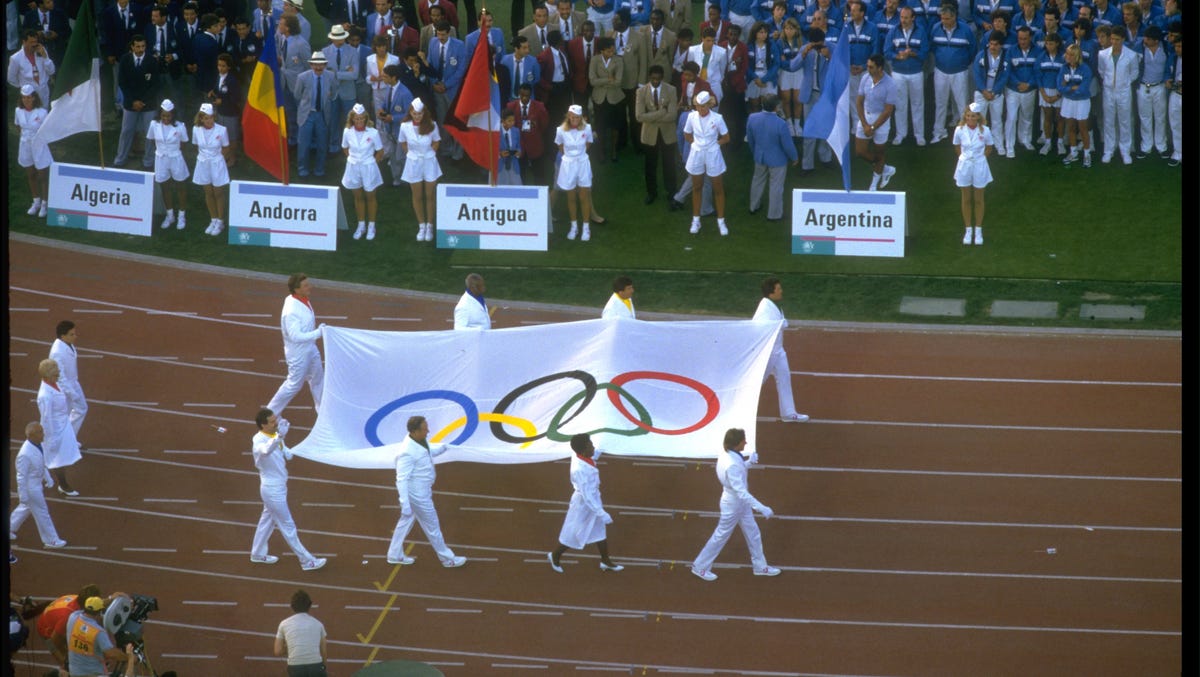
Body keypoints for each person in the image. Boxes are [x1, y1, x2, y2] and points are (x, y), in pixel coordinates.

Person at [690, 427, 781, 581]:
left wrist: (749, 463)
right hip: (734, 505)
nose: (746, 442)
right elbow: (741, 491)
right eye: (743, 440)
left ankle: (760, 566)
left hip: (737, 502)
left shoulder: (728, 455)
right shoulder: (732, 463)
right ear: (737, 444)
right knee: (720, 536)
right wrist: (761, 508)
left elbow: (736, 473)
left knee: (753, 533)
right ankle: (699, 566)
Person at [250, 408, 328, 571]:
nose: (275, 423)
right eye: (272, 422)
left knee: (267, 521)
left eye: (275, 420)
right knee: (288, 525)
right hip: (272, 490)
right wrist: (280, 436)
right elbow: (265, 451)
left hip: (278, 487)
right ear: (263, 425)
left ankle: (257, 553)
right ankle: (306, 561)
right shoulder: (258, 440)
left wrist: (304, 448)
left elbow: (288, 455)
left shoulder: (274, 435)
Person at [386, 416, 468, 568]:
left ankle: (394, 554)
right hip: (418, 495)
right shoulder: (407, 452)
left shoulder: (418, 440)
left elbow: (427, 453)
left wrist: (442, 449)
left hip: (421, 491)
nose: (428, 431)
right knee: (432, 526)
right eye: (425, 429)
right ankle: (447, 559)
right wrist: (404, 503)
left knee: (406, 522)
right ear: (415, 431)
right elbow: (401, 479)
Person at [547, 433, 624, 573]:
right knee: (574, 531)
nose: (593, 447)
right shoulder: (580, 470)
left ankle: (605, 561)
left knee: (599, 530)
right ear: (583, 451)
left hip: (592, 500)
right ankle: (555, 555)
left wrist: (604, 443)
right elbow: (587, 496)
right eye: (591, 446)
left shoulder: (581, 456)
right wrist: (602, 513)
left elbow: (593, 456)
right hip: (583, 504)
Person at [266, 274, 327, 416]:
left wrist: (316, 334)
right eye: (306, 285)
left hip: (310, 348)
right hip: (298, 354)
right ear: (296, 289)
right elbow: (295, 336)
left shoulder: (302, 299)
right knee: (294, 384)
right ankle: (270, 413)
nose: (309, 287)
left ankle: (323, 411)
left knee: (318, 378)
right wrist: (318, 333)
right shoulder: (291, 311)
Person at [753, 278, 809, 422]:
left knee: (784, 379)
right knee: (755, 383)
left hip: (778, 351)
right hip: (768, 353)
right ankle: (736, 408)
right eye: (778, 289)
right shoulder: (765, 308)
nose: (781, 291)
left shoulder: (774, 305)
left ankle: (788, 413)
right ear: (771, 292)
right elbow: (758, 329)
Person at [9, 421, 66, 548]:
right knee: (42, 512)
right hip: (31, 488)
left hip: (35, 484)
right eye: (40, 432)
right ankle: (51, 540)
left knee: (25, 508)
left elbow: (40, 462)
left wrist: (47, 477)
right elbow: (21, 477)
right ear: (32, 435)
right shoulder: (24, 454)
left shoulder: (37, 445)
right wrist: (23, 494)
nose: (43, 434)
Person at [683, 90, 730, 235]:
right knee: (697, 187)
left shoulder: (718, 118)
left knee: (718, 188)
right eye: (698, 106)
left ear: (709, 105)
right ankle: (696, 220)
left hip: (713, 154)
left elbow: (726, 137)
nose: (701, 109)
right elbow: (687, 134)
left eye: (703, 106)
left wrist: (716, 144)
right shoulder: (691, 117)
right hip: (697, 154)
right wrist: (695, 144)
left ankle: (721, 221)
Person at [929, 4, 976, 144]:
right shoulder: (936, 28)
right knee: (940, 103)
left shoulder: (966, 30)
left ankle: (965, 135)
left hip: (960, 71)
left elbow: (972, 50)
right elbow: (933, 48)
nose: (944, 21)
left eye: (947, 19)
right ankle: (938, 132)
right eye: (942, 18)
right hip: (940, 71)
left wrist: (962, 63)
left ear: (954, 17)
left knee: (962, 104)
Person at [746, 95, 797, 221]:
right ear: (776, 107)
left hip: (760, 156)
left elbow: (750, 139)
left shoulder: (752, 118)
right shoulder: (781, 123)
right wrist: (794, 157)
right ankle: (774, 214)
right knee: (776, 186)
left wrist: (755, 152)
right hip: (777, 160)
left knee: (757, 181)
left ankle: (753, 206)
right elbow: (788, 145)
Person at [884, 6, 929, 147]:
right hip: (898, 73)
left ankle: (919, 135)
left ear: (913, 18)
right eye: (902, 17)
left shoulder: (921, 31)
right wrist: (898, 56)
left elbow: (925, 52)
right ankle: (900, 134)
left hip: (916, 73)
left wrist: (913, 54)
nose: (903, 20)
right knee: (900, 105)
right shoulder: (893, 31)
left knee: (917, 104)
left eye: (906, 17)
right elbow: (886, 51)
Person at [399, 97, 442, 242]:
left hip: (429, 162)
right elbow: (403, 143)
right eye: (414, 113)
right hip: (413, 163)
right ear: (410, 112)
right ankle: (421, 226)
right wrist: (410, 155)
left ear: (424, 113)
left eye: (420, 113)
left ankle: (430, 225)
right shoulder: (404, 126)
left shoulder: (432, 125)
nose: (417, 116)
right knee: (417, 196)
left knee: (430, 195)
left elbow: (436, 141)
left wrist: (431, 154)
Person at [341, 102, 385, 240]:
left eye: (361, 118)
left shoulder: (373, 132)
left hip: (369, 167)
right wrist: (352, 160)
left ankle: (371, 225)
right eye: (356, 118)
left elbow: (380, 151)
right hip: (353, 167)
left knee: (370, 197)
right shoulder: (347, 132)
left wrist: (371, 164)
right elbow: (345, 147)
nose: (359, 121)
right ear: (352, 118)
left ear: (366, 118)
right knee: (358, 197)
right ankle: (361, 225)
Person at [635, 64, 678, 206]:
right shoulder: (641, 92)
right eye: (653, 79)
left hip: (667, 133)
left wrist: (652, 117)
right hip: (649, 134)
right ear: (649, 77)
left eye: (658, 79)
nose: (655, 81)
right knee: (650, 165)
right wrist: (661, 112)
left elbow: (672, 115)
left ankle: (672, 192)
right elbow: (639, 116)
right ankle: (651, 192)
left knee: (669, 164)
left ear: (662, 78)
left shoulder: (671, 90)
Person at [113, 34, 158, 169]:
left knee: (149, 133)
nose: (140, 49)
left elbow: (155, 84)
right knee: (126, 131)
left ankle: (148, 161)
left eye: (143, 46)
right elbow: (122, 82)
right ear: (132, 47)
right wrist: (133, 101)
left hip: (148, 104)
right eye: (137, 46)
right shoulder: (125, 60)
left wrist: (142, 101)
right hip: (130, 103)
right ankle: (120, 159)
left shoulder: (152, 60)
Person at [37, 358, 81, 496]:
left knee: (63, 455)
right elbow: (46, 418)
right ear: (47, 376)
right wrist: (51, 438)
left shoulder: (53, 384)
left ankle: (44, 472)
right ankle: (63, 484)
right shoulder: (45, 396)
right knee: (58, 458)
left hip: (63, 425)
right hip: (55, 429)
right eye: (55, 375)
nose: (58, 377)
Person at [35, 585, 104, 673]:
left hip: (56, 623)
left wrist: (111, 598)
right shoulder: (67, 616)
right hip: (48, 632)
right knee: (69, 667)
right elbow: (54, 641)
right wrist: (67, 658)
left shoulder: (80, 600)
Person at [1095, 25, 1138, 164]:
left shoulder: (1131, 55)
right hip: (1108, 92)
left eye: (1117, 39)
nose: (1114, 42)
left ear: (1123, 39)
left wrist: (1123, 83)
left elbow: (1134, 73)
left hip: (1124, 92)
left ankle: (1125, 151)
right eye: (1112, 39)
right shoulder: (1102, 54)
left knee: (1124, 121)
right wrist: (1109, 83)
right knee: (1108, 121)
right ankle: (1108, 150)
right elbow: (1101, 71)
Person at [954, 101, 994, 245]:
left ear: (978, 117)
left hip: (979, 166)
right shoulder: (959, 130)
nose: (970, 119)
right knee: (966, 198)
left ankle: (978, 229)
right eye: (968, 116)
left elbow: (989, 147)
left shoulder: (985, 130)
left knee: (978, 199)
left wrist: (980, 159)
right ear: (965, 116)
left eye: (974, 116)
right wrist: (963, 158)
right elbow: (957, 146)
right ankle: (968, 229)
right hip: (964, 166)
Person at [855, 53, 897, 191]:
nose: (868, 69)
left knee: (879, 152)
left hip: (882, 121)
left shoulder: (890, 84)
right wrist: (865, 124)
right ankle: (884, 168)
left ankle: (874, 183)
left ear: (880, 68)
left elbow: (888, 111)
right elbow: (859, 102)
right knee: (860, 151)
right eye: (867, 66)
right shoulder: (865, 78)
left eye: (871, 67)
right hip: (865, 117)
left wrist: (873, 127)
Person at [148, 99, 191, 230]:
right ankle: (170, 215)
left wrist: (173, 152)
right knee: (165, 187)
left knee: (180, 186)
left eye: (168, 115)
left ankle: (181, 216)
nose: (166, 118)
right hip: (161, 159)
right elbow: (152, 140)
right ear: (160, 115)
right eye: (163, 115)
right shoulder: (154, 124)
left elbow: (183, 143)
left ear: (173, 115)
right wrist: (161, 151)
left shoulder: (180, 126)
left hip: (176, 158)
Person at [191, 102, 232, 236]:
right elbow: (197, 146)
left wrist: (219, 161)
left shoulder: (222, 130)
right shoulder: (196, 130)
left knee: (218, 192)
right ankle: (213, 220)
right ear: (201, 118)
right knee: (208, 192)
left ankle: (220, 221)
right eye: (206, 118)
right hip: (203, 164)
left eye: (211, 117)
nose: (210, 120)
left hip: (217, 163)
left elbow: (226, 148)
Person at [555, 103, 595, 241]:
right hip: (568, 166)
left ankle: (586, 227)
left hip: (583, 164)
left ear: (581, 117)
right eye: (572, 117)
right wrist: (570, 157)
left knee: (584, 197)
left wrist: (578, 156)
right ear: (568, 116)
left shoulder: (588, 128)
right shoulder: (560, 130)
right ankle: (574, 226)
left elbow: (588, 144)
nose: (574, 120)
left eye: (577, 117)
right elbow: (560, 146)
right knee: (571, 197)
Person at [294, 50, 336, 177]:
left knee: (322, 144)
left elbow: (334, 92)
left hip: (322, 115)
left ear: (325, 65)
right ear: (311, 65)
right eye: (315, 64)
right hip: (307, 115)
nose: (318, 67)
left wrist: (329, 96)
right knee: (304, 144)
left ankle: (320, 170)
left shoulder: (331, 76)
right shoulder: (302, 77)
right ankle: (303, 169)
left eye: (321, 64)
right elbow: (297, 94)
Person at [14, 84, 51, 219]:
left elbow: (47, 130)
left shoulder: (42, 112)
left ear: (34, 98)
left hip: (39, 146)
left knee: (42, 176)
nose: (26, 100)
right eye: (24, 98)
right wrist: (25, 138)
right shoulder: (18, 111)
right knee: (31, 174)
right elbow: (18, 126)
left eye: (29, 97)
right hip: (25, 146)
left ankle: (44, 204)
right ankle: (36, 201)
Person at [66, 596, 126, 677]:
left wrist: (110, 599)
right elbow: (111, 653)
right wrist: (129, 658)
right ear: (100, 612)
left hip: (74, 672)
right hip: (93, 673)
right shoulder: (98, 632)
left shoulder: (73, 617)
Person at [1003, 26, 1040, 157]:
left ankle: (1025, 140)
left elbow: (1038, 71)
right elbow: (1008, 71)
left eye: (1025, 39)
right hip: (1013, 90)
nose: (1022, 41)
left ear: (1030, 38)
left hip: (1030, 90)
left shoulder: (1038, 51)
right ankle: (1009, 145)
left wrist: (1029, 84)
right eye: (1020, 39)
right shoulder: (1011, 51)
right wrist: (1018, 83)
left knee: (1027, 116)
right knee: (1011, 117)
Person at [972, 30, 1009, 156]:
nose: (992, 47)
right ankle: (978, 145)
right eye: (991, 44)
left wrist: (994, 92)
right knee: (979, 120)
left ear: (1001, 45)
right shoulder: (981, 55)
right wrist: (984, 91)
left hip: (996, 95)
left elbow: (1005, 76)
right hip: (981, 93)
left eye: (995, 44)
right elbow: (976, 74)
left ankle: (998, 145)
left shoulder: (1005, 57)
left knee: (997, 120)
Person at [1134, 25, 1168, 160]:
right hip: (1143, 87)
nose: (1145, 40)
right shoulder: (1139, 47)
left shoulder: (1165, 48)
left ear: (1156, 40)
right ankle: (1146, 146)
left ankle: (1161, 146)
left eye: (1148, 38)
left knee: (1160, 118)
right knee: (1145, 117)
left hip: (1159, 86)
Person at [47, 320, 87, 437]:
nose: (75, 336)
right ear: (63, 336)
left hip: (73, 383)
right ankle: (65, 440)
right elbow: (60, 377)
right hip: (64, 389)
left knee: (81, 408)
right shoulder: (57, 352)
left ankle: (68, 438)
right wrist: (72, 393)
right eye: (72, 334)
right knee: (66, 415)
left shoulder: (67, 344)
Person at [275, 589, 327, 676]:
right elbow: (323, 651)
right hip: (316, 666)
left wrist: (293, 646)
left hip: (295, 667)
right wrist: (324, 668)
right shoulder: (318, 624)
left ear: (292, 606)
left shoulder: (283, 624)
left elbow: (278, 651)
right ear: (309, 605)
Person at [1058, 43, 1094, 167]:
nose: (1068, 57)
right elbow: (1059, 87)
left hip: (1082, 101)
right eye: (1067, 54)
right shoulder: (1063, 68)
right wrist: (1072, 87)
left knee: (1083, 128)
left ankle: (1087, 154)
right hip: (1068, 101)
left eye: (1071, 55)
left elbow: (1083, 89)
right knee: (1071, 127)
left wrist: (1067, 87)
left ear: (1077, 56)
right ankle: (1073, 152)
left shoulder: (1085, 69)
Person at [7, 29, 55, 108]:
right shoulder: (15, 58)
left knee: (44, 115)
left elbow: (51, 71)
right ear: (24, 42)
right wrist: (23, 87)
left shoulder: (41, 51)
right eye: (31, 42)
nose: (34, 45)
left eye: (36, 42)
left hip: (43, 91)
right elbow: (11, 78)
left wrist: (45, 57)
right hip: (29, 96)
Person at [1037, 32, 1066, 155]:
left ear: (1057, 44)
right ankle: (1048, 142)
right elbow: (1038, 76)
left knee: (1059, 117)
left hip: (1059, 90)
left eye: (1051, 44)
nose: (1048, 46)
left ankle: (1060, 142)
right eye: (1047, 43)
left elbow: (1066, 76)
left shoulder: (1064, 58)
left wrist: (1058, 94)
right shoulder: (1041, 57)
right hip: (1045, 90)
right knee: (1047, 117)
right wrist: (1043, 94)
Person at [497, 108, 524, 184]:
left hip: (513, 165)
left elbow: (518, 146)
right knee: (500, 190)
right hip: (500, 166)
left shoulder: (516, 131)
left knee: (517, 189)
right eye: (509, 121)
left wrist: (518, 153)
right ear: (503, 121)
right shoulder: (496, 132)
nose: (512, 123)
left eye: (513, 120)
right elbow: (490, 149)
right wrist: (499, 154)